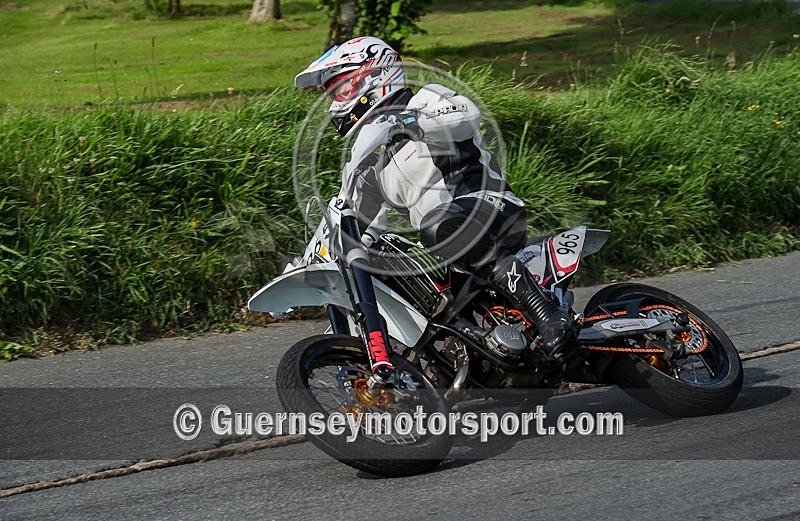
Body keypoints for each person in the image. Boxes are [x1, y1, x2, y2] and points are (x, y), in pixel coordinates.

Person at [294, 36, 575, 358]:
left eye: (340, 88)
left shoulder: (426, 99)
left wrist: (413, 122)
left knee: (439, 224)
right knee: (395, 269)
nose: (335, 100)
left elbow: (465, 116)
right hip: (442, 242)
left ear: (374, 74)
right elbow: (353, 219)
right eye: (331, 92)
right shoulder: (369, 162)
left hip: (488, 207)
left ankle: (548, 315)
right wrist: (303, 269)